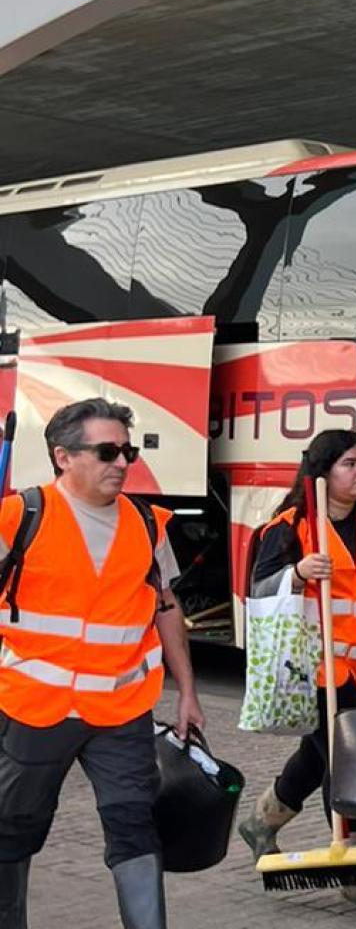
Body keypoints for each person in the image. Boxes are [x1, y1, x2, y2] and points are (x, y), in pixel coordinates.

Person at [0, 397, 204, 929]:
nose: (121, 462)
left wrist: (187, 691)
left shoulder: (146, 522)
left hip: (121, 708)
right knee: (12, 827)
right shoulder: (19, 517)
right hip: (34, 707)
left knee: (134, 824)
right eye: (107, 450)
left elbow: (166, 608)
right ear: (63, 456)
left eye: (127, 452)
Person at [237, 429, 356, 908]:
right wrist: (297, 573)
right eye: (349, 463)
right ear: (323, 471)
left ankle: (262, 821)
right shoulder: (291, 527)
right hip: (315, 671)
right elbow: (257, 590)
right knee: (344, 763)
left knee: (319, 756)